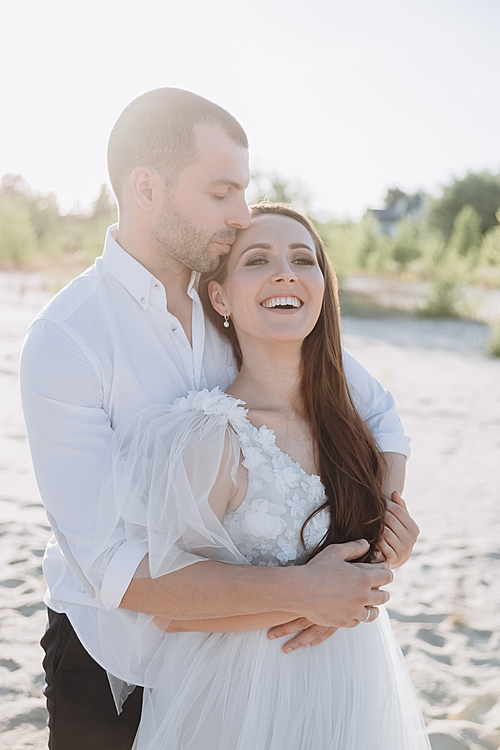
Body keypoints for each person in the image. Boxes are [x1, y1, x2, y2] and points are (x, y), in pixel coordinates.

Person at [20, 88, 416, 750]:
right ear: (147, 187)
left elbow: (376, 410)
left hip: (255, 654)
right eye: (222, 192)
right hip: (108, 659)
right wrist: (304, 594)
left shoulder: (237, 291)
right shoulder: (70, 339)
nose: (241, 215)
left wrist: (383, 527)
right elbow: (114, 569)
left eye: (244, 191)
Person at [93, 202, 429, 749]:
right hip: (241, 702)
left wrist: (388, 540)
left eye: (304, 259)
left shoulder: (351, 427)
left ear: (322, 288)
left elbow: (368, 538)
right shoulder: (211, 436)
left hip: (351, 687)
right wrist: (310, 599)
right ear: (220, 298)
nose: (285, 272)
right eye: (257, 260)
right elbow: (169, 612)